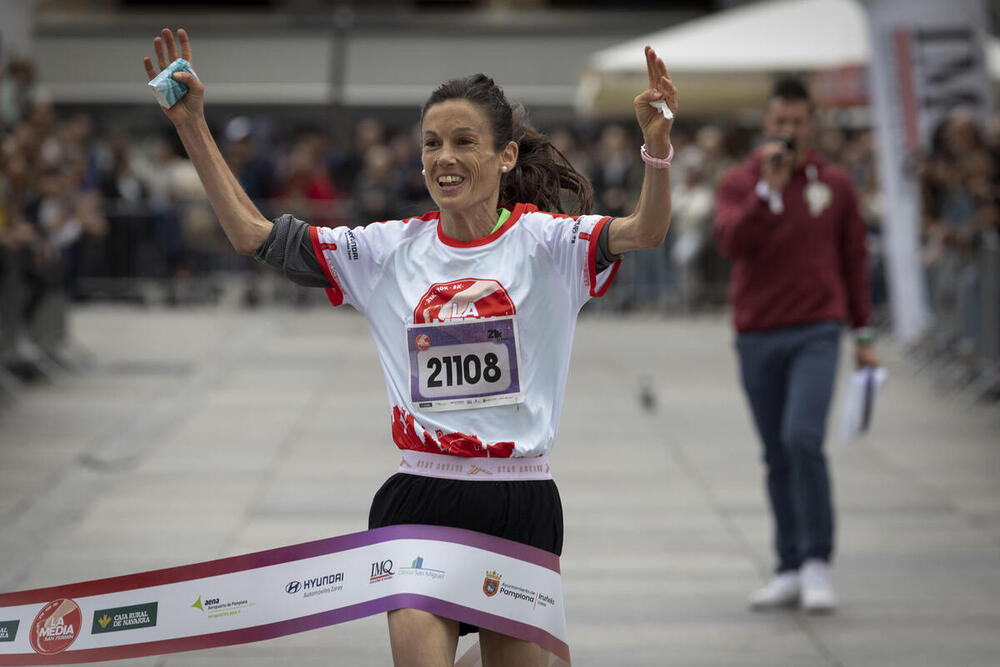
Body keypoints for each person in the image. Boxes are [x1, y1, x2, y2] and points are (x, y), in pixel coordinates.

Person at [144, 28, 677, 666]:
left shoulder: (550, 244)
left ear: (506, 157)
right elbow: (253, 236)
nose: (442, 158)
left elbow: (645, 231)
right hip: (420, 498)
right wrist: (193, 125)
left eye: (462, 142)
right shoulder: (386, 251)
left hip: (521, 499)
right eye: (430, 144)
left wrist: (656, 148)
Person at [714, 78, 878, 614]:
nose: (788, 132)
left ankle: (816, 562)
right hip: (757, 332)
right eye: (779, 122)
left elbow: (854, 258)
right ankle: (787, 564)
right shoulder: (741, 183)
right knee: (776, 454)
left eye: (798, 122)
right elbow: (734, 242)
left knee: (803, 439)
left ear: (811, 124)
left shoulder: (836, 185)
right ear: (768, 123)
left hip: (817, 330)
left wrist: (864, 333)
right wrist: (768, 190)